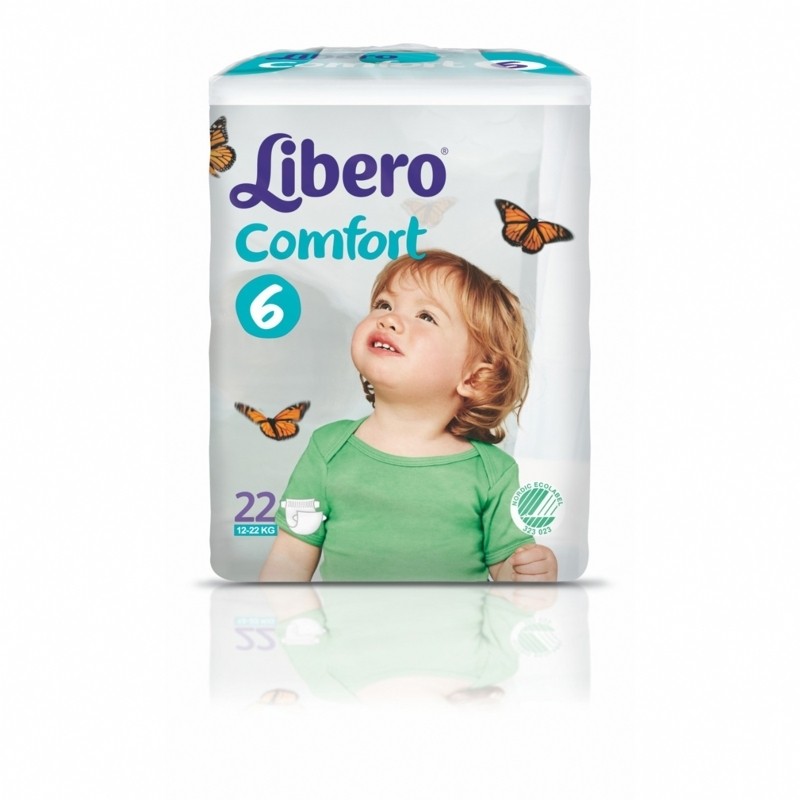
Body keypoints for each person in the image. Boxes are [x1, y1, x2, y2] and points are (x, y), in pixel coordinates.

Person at [259, 249, 558, 582]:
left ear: (475, 378)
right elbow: (288, 561)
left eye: (426, 316)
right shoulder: (327, 449)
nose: (388, 319)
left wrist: (527, 573)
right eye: (384, 305)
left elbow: (507, 571)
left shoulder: (493, 473)